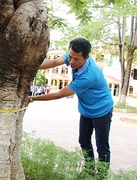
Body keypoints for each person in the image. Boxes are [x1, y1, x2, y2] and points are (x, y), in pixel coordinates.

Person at [27, 37, 113, 177]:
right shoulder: (75, 55)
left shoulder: (89, 76)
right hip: (86, 109)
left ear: (86, 58)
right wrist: (31, 65)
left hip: (102, 110)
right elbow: (54, 62)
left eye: (76, 59)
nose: (71, 62)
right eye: (70, 57)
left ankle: (102, 175)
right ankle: (89, 170)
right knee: (84, 140)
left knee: (102, 145)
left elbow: (59, 94)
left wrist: (31, 98)